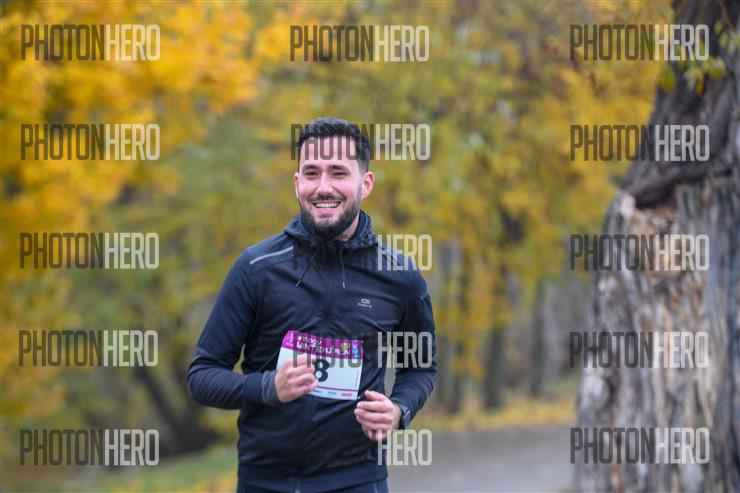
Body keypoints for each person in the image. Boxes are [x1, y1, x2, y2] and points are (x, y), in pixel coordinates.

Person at [187, 117, 437, 493]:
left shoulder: (399, 276)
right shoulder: (257, 267)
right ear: (296, 184)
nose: (323, 187)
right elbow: (202, 376)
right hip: (265, 481)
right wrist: (267, 387)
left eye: (338, 172)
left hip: (358, 479)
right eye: (311, 173)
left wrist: (399, 409)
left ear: (366, 183)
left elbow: (420, 367)